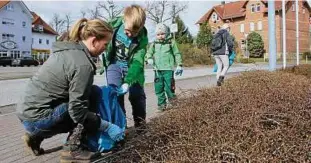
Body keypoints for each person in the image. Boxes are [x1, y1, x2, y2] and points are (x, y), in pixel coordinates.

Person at [17, 18, 124, 163]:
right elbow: (77, 111)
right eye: (105, 44)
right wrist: (106, 126)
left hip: (27, 114)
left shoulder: (68, 49)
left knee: (87, 94)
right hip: (37, 119)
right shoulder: (83, 65)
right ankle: (73, 150)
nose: (105, 49)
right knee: (89, 100)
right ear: (93, 41)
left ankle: (35, 137)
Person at [100, 5, 148, 129]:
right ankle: (120, 126)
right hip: (114, 64)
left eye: (135, 32)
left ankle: (140, 124)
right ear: (124, 20)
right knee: (115, 94)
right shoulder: (112, 26)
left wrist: (127, 81)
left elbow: (137, 62)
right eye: (128, 31)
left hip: (132, 67)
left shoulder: (142, 38)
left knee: (137, 95)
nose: (130, 35)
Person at [145, 23, 183, 111]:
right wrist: (149, 58)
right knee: (159, 88)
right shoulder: (154, 44)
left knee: (169, 87)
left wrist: (179, 65)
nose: (160, 36)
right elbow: (149, 53)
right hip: (157, 70)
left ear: (166, 34)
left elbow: (176, 54)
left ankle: (174, 103)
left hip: (168, 69)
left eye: (162, 34)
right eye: (158, 34)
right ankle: (161, 105)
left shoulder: (171, 42)